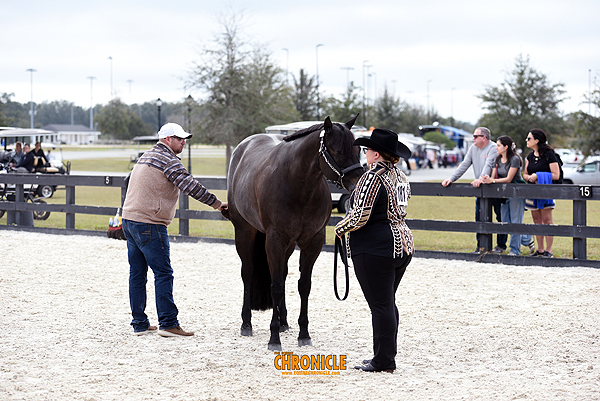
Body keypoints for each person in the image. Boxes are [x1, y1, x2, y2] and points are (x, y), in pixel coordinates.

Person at [122, 122, 228, 337]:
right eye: (180, 139)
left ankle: (139, 324)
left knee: (137, 274)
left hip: (129, 219)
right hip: (150, 223)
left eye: (184, 139)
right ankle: (168, 323)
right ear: (167, 139)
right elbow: (190, 185)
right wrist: (217, 204)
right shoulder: (168, 160)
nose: (183, 142)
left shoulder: (146, 156)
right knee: (163, 273)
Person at [335, 128, 413, 373]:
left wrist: (340, 228)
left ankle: (383, 360)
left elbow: (360, 215)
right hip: (401, 244)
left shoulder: (372, 177)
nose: (365, 153)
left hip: (375, 248)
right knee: (387, 303)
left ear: (377, 154)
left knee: (380, 305)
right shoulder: (400, 176)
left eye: (367, 150)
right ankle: (385, 356)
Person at [441, 127, 507, 254]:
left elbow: (488, 165)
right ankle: (480, 245)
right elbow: (464, 165)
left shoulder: (493, 148)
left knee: (500, 216)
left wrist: (480, 179)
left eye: (476, 136)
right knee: (479, 217)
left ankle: (501, 245)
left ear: (484, 137)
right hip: (480, 189)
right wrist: (451, 178)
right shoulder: (473, 148)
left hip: (494, 187)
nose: (473, 138)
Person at [481, 136, 535, 256]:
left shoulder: (515, 159)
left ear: (506, 147)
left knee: (515, 221)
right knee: (505, 222)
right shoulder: (497, 159)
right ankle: (527, 238)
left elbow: (509, 179)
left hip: (516, 192)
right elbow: (494, 176)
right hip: (503, 193)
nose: (496, 147)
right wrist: (487, 178)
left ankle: (515, 250)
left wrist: (492, 181)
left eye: (498, 145)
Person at [522, 128, 560, 258]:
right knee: (536, 220)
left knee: (547, 220)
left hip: (546, 192)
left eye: (529, 138)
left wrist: (537, 175)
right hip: (532, 191)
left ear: (537, 140)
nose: (526, 140)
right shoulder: (530, 156)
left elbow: (556, 175)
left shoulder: (549, 155)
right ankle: (540, 250)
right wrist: (529, 177)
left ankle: (548, 250)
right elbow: (525, 174)